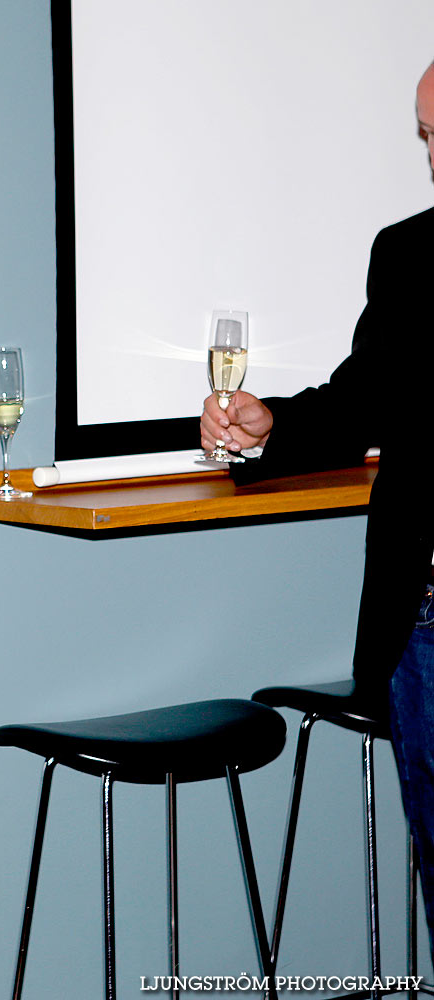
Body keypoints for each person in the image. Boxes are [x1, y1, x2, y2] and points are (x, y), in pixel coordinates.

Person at [200, 59, 434, 955]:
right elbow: (358, 404)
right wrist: (269, 427)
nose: (432, 154)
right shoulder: (410, 253)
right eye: (423, 134)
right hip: (426, 632)